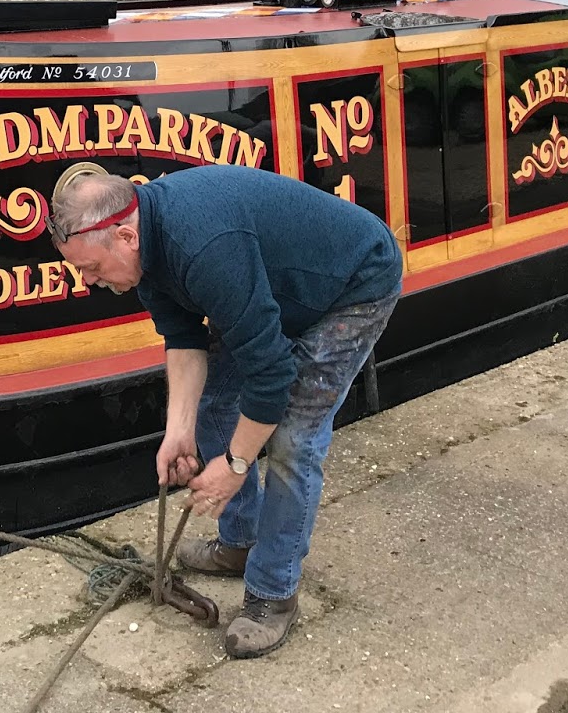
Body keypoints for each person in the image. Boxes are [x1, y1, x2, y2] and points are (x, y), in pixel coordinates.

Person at [48, 163, 402, 658]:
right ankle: (240, 541)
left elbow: (272, 375)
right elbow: (184, 339)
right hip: (276, 291)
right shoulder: (146, 250)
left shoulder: (204, 247)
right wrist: (179, 431)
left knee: (291, 441)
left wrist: (234, 466)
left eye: (91, 267)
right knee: (216, 401)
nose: (88, 281)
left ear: (125, 235)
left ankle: (274, 593)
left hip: (351, 285)